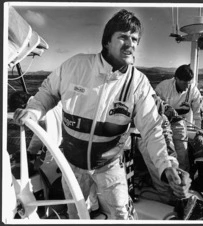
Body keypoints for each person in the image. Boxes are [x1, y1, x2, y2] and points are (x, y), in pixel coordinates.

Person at [13, 9, 191, 220]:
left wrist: (167, 165)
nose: (130, 44)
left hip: (110, 166)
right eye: (123, 37)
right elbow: (48, 93)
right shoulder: (75, 66)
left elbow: (152, 128)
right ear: (107, 41)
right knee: (76, 215)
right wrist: (33, 112)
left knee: (121, 214)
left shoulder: (138, 83)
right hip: (73, 165)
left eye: (134, 39)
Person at [155, 64, 203, 172]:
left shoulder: (193, 90)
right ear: (176, 78)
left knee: (182, 151)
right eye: (184, 83)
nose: (186, 87)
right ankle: (167, 176)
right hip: (163, 123)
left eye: (188, 83)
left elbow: (199, 112)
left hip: (179, 122)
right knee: (166, 151)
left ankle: (183, 175)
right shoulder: (163, 87)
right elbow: (153, 106)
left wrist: (199, 133)